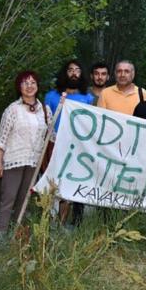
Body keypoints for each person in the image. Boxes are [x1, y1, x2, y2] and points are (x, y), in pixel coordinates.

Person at [0, 71, 54, 235]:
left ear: (37, 86)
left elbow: (51, 135)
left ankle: (16, 232)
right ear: (19, 87)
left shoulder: (45, 110)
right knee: (8, 198)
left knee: (24, 200)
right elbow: (2, 139)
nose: (29, 86)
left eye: (33, 82)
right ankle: (1, 235)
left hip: (34, 162)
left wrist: (63, 106)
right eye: (25, 83)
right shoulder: (12, 110)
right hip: (14, 160)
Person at [44, 59, 94, 225]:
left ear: (82, 74)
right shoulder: (51, 96)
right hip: (54, 147)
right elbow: (45, 121)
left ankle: (62, 223)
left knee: (68, 186)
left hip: (77, 149)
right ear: (65, 73)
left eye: (77, 70)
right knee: (52, 184)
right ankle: (49, 221)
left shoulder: (88, 98)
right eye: (70, 69)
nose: (74, 73)